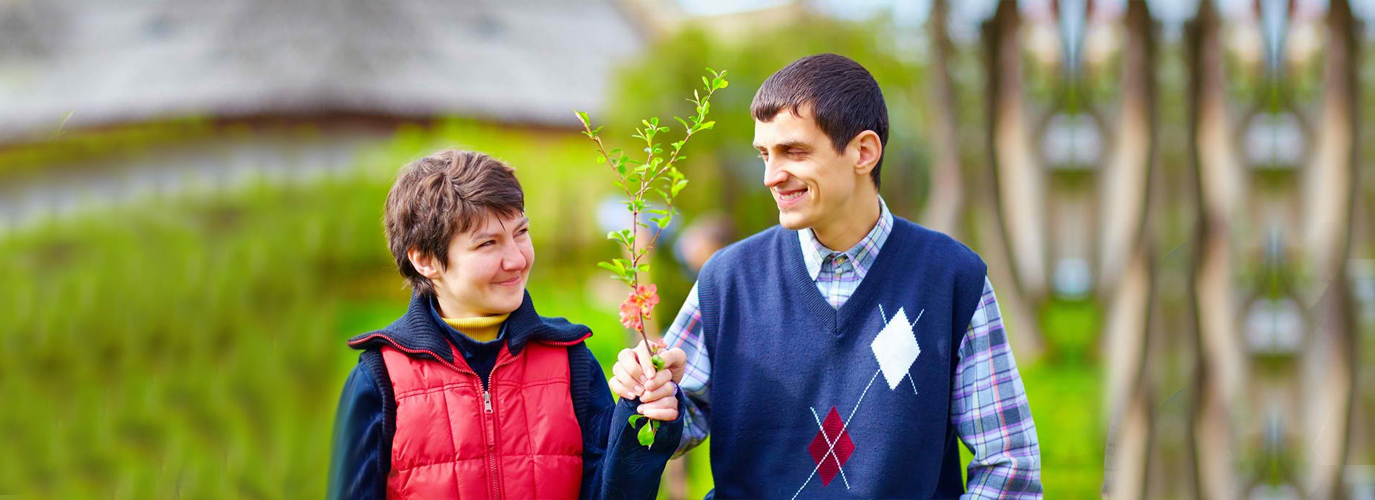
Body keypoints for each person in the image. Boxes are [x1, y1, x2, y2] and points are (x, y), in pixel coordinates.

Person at [611, 54, 1043, 499]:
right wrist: (651, 395)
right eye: (765, 154)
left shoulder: (953, 279)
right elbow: (677, 428)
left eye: (793, 152)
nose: (771, 176)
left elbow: (1009, 465)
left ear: (863, 152)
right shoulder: (728, 279)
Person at [328, 149, 683, 500]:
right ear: (424, 259)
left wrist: (644, 405)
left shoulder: (571, 360)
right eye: (487, 244)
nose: (516, 259)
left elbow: (612, 491)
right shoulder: (380, 378)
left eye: (521, 232)